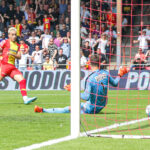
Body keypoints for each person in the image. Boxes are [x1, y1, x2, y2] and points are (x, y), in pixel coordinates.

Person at [34, 54, 128, 114]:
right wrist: (119, 75)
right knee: (84, 102)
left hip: (92, 108)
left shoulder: (90, 78)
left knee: (68, 108)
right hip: (102, 104)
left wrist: (73, 91)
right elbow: (115, 84)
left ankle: (43, 110)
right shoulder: (105, 73)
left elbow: (86, 96)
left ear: (89, 64)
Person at [0, 27, 37, 104]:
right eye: (12, 35)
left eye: (15, 35)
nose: (14, 36)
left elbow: (19, 57)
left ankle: (25, 99)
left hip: (12, 68)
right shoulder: (5, 42)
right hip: (4, 66)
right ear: (9, 35)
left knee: (22, 80)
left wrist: (11, 54)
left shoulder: (18, 45)